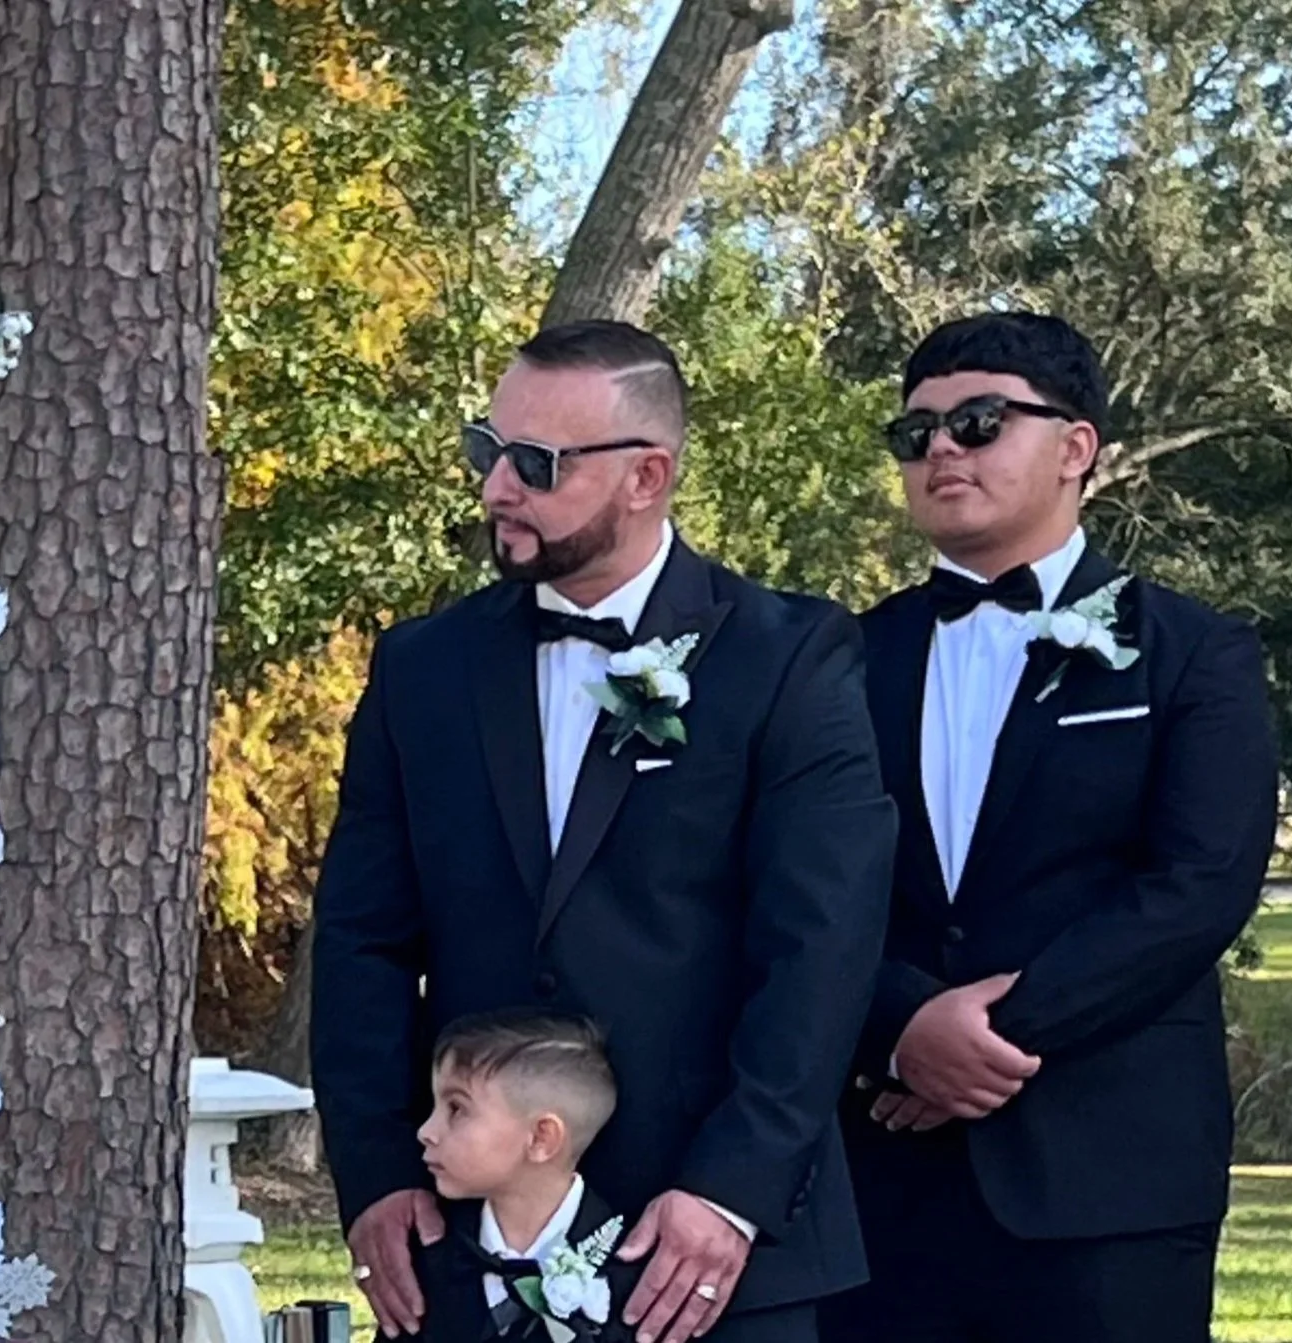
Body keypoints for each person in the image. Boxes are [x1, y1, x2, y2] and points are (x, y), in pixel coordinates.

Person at [312, 319, 896, 1343]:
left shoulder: (788, 658)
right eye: (485, 450)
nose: (496, 487)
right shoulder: (422, 670)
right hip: (465, 1241)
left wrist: (731, 1188)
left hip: (710, 1246)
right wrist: (377, 1171)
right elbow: (361, 936)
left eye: (535, 463)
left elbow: (821, 944)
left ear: (647, 476)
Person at [821, 312, 1278, 1343]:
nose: (941, 447)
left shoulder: (1191, 652)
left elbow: (1197, 885)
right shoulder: (839, 659)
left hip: (1107, 1174)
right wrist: (901, 1028)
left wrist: (984, 1040)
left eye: (978, 422)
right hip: (881, 1173)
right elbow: (799, 878)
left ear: (1076, 447)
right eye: (916, 430)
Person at [413, 1009, 640, 1343]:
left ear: (540, 1138)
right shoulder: (427, 1267)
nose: (426, 1132)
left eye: (456, 1109)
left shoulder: (635, 1277)